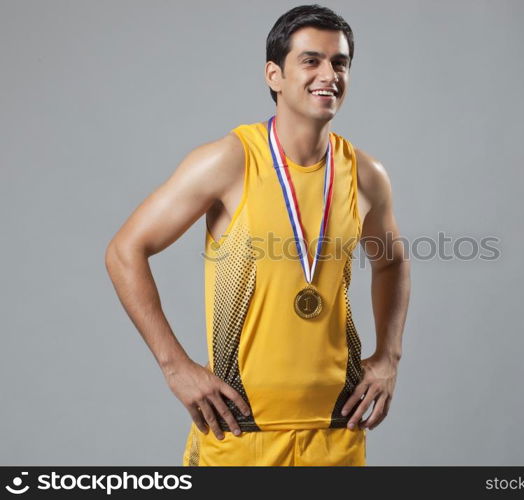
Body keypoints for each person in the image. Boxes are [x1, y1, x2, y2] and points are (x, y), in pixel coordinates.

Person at [105, 4, 410, 466]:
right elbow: (125, 250)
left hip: (334, 428)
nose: (329, 73)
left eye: (340, 62)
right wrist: (175, 367)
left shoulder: (365, 173)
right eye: (311, 60)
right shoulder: (229, 160)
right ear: (275, 75)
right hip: (240, 429)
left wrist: (389, 357)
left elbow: (391, 262)